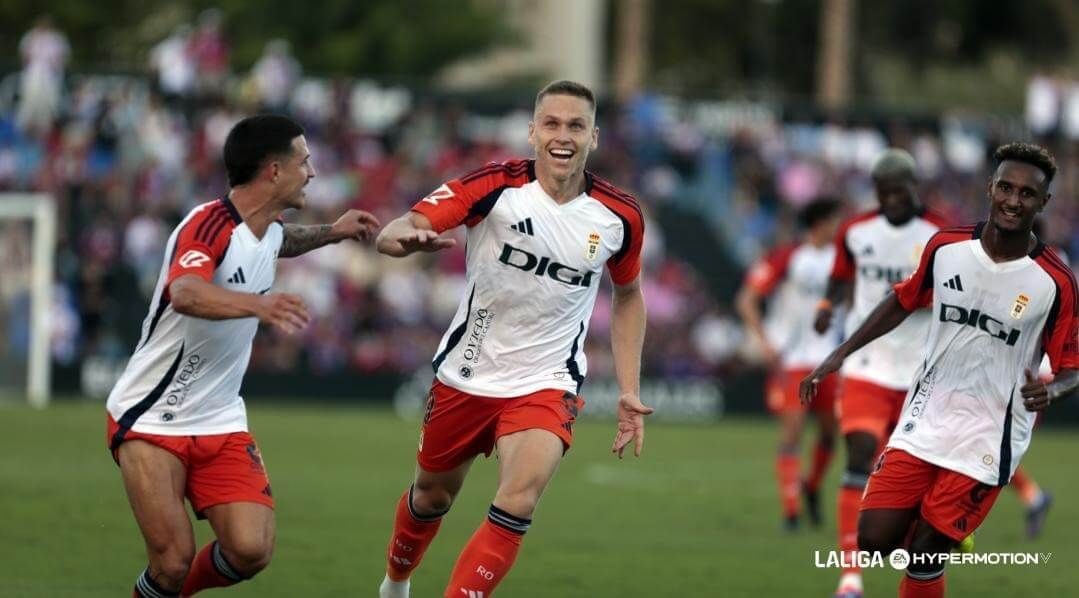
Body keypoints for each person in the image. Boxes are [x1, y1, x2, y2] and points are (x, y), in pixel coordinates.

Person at [374, 80, 651, 598]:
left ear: (594, 135)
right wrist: (401, 240)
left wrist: (629, 389)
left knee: (519, 499)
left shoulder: (620, 215)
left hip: (546, 382)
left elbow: (629, 295)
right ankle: (395, 584)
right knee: (431, 496)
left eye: (575, 125)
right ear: (532, 132)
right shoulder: (495, 185)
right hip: (468, 372)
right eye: (551, 123)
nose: (562, 135)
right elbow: (403, 225)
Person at [105, 114, 380, 597]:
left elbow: (280, 242)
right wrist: (260, 305)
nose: (312, 172)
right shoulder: (207, 224)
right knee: (171, 563)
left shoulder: (269, 228)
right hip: (153, 417)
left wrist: (333, 232)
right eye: (304, 162)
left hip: (219, 418)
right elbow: (186, 292)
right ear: (273, 170)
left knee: (251, 549)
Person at [801, 142, 1077, 598]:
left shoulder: (1055, 282)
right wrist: (838, 355)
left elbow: (1072, 366)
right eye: (1005, 187)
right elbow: (902, 300)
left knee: (927, 555)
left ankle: (942, 531)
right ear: (990, 189)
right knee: (872, 541)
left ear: (1043, 203)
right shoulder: (946, 247)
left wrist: (1056, 390)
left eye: (1027, 194)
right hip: (925, 417)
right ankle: (948, 527)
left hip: (989, 434)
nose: (1013, 200)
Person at [812, 149, 948, 598]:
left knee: (910, 482)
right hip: (868, 363)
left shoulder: (940, 233)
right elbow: (839, 277)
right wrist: (827, 305)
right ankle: (850, 577)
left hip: (919, 373)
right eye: (883, 192)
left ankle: (915, 560)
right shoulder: (856, 231)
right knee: (859, 453)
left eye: (899, 190)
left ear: (914, 187)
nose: (891, 199)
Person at [735, 197, 843, 531]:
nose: (840, 227)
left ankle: (812, 486)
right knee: (792, 431)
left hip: (830, 359)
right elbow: (747, 299)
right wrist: (765, 342)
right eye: (835, 220)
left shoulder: (845, 259)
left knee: (829, 434)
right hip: (794, 359)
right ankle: (791, 512)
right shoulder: (789, 256)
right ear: (820, 222)